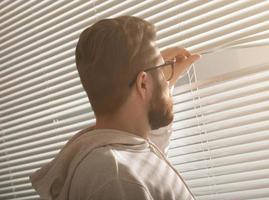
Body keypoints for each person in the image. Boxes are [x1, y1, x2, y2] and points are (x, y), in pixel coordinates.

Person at [29, 15, 200, 200]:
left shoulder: (121, 153)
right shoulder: (116, 178)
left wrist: (161, 83)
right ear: (143, 83)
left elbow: (148, 162)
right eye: (161, 69)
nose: (166, 75)